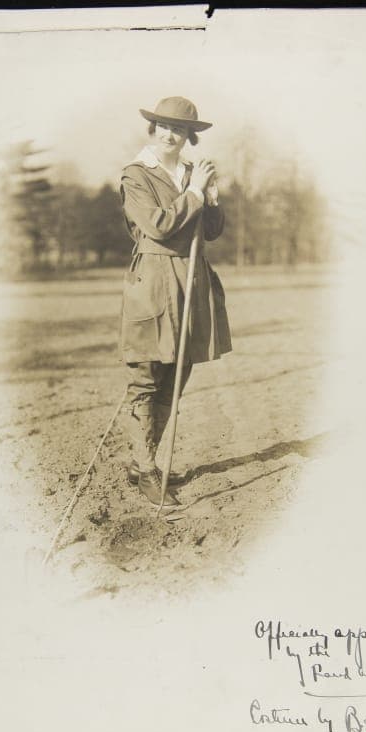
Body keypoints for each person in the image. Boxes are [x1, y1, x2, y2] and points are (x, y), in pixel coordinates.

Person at [119, 96, 232, 509]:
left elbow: (214, 232)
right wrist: (196, 195)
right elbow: (159, 226)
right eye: (165, 126)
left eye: (180, 129)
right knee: (148, 376)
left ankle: (141, 461)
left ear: (190, 136)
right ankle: (146, 467)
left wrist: (213, 198)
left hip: (192, 279)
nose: (171, 135)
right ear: (154, 129)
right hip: (155, 280)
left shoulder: (191, 172)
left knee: (177, 374)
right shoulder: (137, 175)